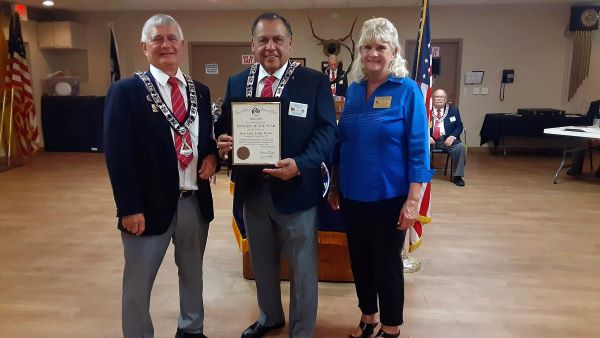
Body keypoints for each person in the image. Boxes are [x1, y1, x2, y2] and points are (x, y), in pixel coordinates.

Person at [215, 12, 337, 338]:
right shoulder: (237, 82)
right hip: (253, 192)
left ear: (290, 43)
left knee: (302, 270)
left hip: (297, 189)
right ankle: (270, 317)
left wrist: (301, 163)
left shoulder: (312, 81)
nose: (271, 47)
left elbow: (326, 133)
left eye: (277, 39)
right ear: (252, 45)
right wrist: (223, 141)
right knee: (263, 265)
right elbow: (226, 128)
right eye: (263, 40)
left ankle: (301, 330)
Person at [104, 14, 218, 338]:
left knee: (193, 273)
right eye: (157, 39)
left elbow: (204, 139)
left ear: (181, 44)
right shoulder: (126, 92)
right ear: (145, 47)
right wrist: (128, 206)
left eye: (171, 38)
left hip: (194, 201)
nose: (165, 44)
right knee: (138, 285)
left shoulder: (201, 90)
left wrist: (211, 156)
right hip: (147, 206)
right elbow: (118, 155)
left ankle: (191, 329)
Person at [327, 17, 434, 338]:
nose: (373, 53)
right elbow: (342, 139)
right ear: (360, 52)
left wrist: (414, 200)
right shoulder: (356, 90)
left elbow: (419, 150)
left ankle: (391, 327)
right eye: (367, 47)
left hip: (390, 196)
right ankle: (368, 317)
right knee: (359, 261)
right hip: (352, 193)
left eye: (380, 47)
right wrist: (334, 183)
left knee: (386, 265)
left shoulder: (407, 91)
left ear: (394, 51)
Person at [430, 88, 467, 186]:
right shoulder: (425, 110)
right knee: (417, 146)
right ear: (432, 99)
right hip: (430, 140)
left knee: (460, 148)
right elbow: (418, 125)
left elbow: (459, 126)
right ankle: (422, 172)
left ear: (445, 99)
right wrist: (425, 137)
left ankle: (457, 176)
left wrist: (453, 136)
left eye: (442, 97)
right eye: (437, 96)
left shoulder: (453, 110)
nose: (439, 99)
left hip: (447, 140)